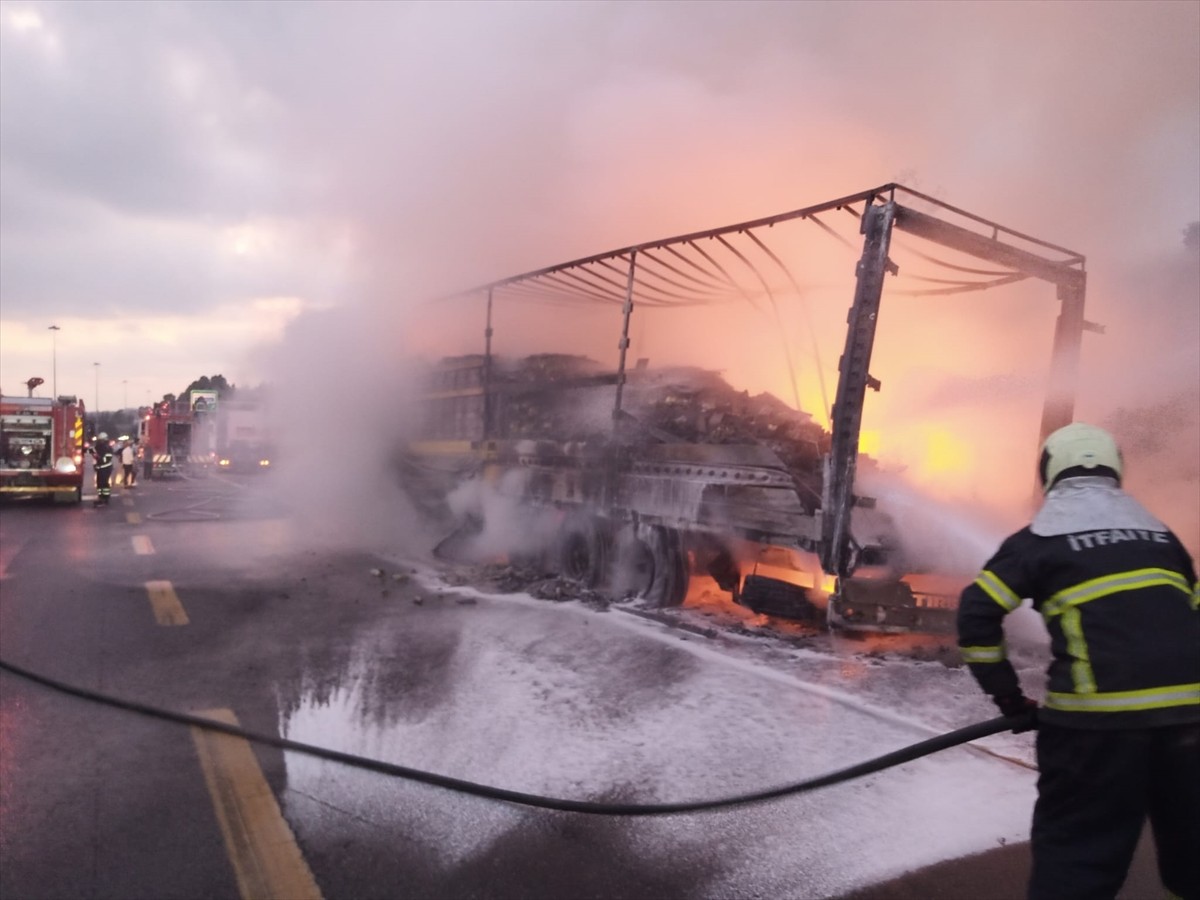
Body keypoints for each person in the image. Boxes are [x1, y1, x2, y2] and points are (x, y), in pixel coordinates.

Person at [957, 422, 1199, 900]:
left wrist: (1008, 696)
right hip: (1192, 721)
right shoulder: (1163, 539)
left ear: (1049, 473)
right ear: (1116, 469)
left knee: (1078, 859)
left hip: (1096, 732)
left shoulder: (1037, 542)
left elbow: (976, 613)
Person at [90, 432, 114, 507]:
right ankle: (102, 497)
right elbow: (95, 453)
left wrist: (95, 455)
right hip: (102, 468)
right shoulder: (101, 447)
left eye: (100, 440)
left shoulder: (106, 448)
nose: (99, 442)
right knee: (100, 484)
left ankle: (104, 499)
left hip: (105, 469)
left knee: (103, 484)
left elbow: (103, 460)